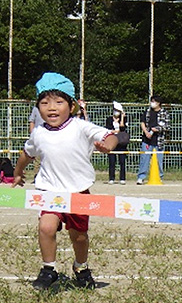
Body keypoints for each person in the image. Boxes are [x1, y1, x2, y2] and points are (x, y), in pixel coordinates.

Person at [11, 72, 118, 291]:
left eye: (58, 102)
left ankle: (81, 267)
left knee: (79, 236)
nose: (51, 108)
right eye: (45, 102)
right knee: (46, 227)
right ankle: (49, 269)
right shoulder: (39, 133)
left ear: (71, 106)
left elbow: (111, 135)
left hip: (78, 192)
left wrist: (109, 145)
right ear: (38, 108)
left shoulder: (80, 127)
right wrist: (18, 172)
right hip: (49, 191)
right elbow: (26, 153)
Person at [137, 95, 170, 185]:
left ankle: (159, 177)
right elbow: (142, 122)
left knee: (159, 160)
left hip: (159, 141)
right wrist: (146, 132)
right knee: (144, 159)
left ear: (158, 103)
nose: (152, 103)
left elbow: (167, 126)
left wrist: (158, 129)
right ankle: (141, 177)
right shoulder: (147, 111)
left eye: (154, 101)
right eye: (151, 101)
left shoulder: (164, 113)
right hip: (147, 140)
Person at [105, 101, 128, 185]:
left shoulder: (124, 119)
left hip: (121, 143)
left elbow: (122, 128)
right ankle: (111, 178)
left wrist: (122, 117)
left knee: (122, 161)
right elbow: (108, 130)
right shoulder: (109, 119)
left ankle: (122, 178)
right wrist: (115, 131)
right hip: (112, 141)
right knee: (112, 160)